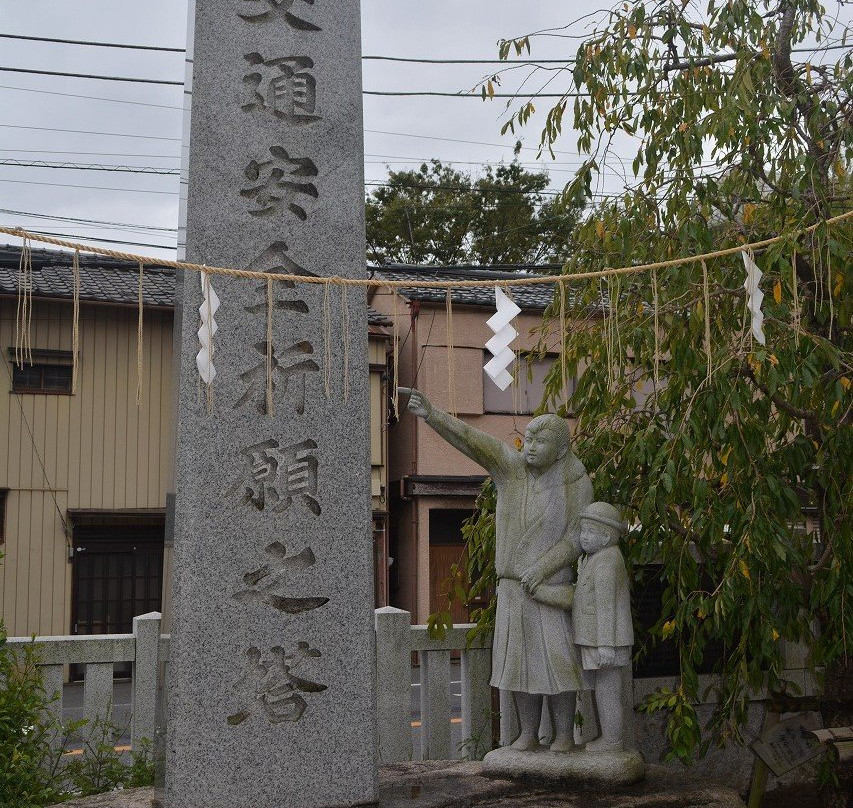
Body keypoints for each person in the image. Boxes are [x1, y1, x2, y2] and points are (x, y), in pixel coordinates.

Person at [400, 387, 592, 752]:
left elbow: (577, 538)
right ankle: (528, 734)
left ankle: (565, 734)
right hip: (513, 588)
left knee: (558, 662)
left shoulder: (576, 483)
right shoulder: (511, 470)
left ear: (562, 448)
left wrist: (543, 566)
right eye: (528, 438)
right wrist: (433, 414)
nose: (531, 445)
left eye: (542, 440)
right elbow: (475, 441)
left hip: (551, 587)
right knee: (519, 665)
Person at [572, 502, 634, 752]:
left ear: (607, 535)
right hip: (600, 639)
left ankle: (612, 741)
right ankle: (610, 739)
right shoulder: (599, 558)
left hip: (606, 641)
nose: (583, 537)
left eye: (589, 532)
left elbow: (606, 606)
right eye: (582, 531)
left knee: (608, 692)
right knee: (605, 691)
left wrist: (606, 644)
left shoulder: (607, 561)